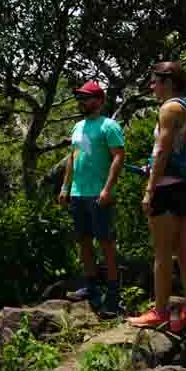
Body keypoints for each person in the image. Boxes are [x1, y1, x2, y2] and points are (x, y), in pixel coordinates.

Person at [128, 61, 186, 333]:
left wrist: (149, 190)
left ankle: (159, 312)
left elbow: (161, 152)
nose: (151, 86)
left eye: (154, 81)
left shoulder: (169, 108)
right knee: (183, 250)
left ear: (168, 82)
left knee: (161, 252)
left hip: (166, 188)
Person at [57, 80, 124, 317]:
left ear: (99, 100)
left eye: (87, 97)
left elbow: (118, 157)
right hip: (78, 192)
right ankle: (91, 286)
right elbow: (73, 157)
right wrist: (65, 187)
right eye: (80, 98)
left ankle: (114, 294)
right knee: (84, 240)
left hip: (99, 193)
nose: (82, 101)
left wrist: (107, 189)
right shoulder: (78, 127)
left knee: (105, 242)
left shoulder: (109, 126)